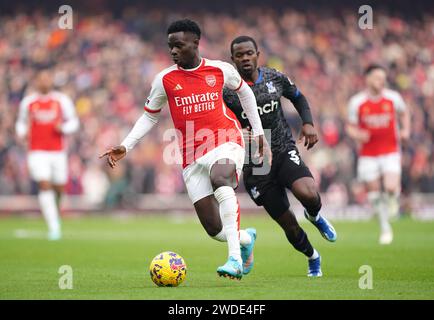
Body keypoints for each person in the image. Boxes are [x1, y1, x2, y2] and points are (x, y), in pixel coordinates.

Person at [100, 20, 271, 280]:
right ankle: (245, 238)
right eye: (170, 46)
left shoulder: (220, 70)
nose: (173, 51)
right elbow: (149, 116)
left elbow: (246, 94)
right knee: (214, 229)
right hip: (191, 155)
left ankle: (235, 259)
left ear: (195, 43)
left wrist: (258, 132)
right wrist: (126, 144)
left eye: (178, 45)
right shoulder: (165, 80)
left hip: (226, 139)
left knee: (221, 178)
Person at [223, 36, 337, 277]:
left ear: (257, 54)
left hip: (283, 147)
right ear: (232, 59)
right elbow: (219, 121)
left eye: (249, 53)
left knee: (307, 192)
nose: (245, 58)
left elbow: (298, 96)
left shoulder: (275, 77)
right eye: (239, 55)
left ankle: (314, 214)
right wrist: (236, 131)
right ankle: (313, 256)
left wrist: (308, 123)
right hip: (255, 162)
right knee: (288, 223)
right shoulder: (227, 91)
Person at [346, 64, 410, 245]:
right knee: (374, 193)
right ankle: (385, 228)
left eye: (383, 78)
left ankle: (392, 201)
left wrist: (405, 130)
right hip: (368, 153)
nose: (381, 81)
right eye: (377, 78)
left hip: (390, 150)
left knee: (390, 187)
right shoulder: (357, 102)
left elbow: (404, 113)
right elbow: (350, 127)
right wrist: (358, 134)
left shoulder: (393, 98)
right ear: (367, 79)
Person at [15, 69, 79, 240]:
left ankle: (56, 212)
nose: (44, 82)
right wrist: (22, 132)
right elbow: (21, 123)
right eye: (41, 79)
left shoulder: (61, 100)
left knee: (59, 186)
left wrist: (64, 128)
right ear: (37, 81)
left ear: (51, 81)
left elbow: (74, 121)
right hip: (36, 151)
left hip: (58, 151)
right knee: (44, 184)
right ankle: (54, 226)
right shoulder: (29, 102)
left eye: (47, 79)